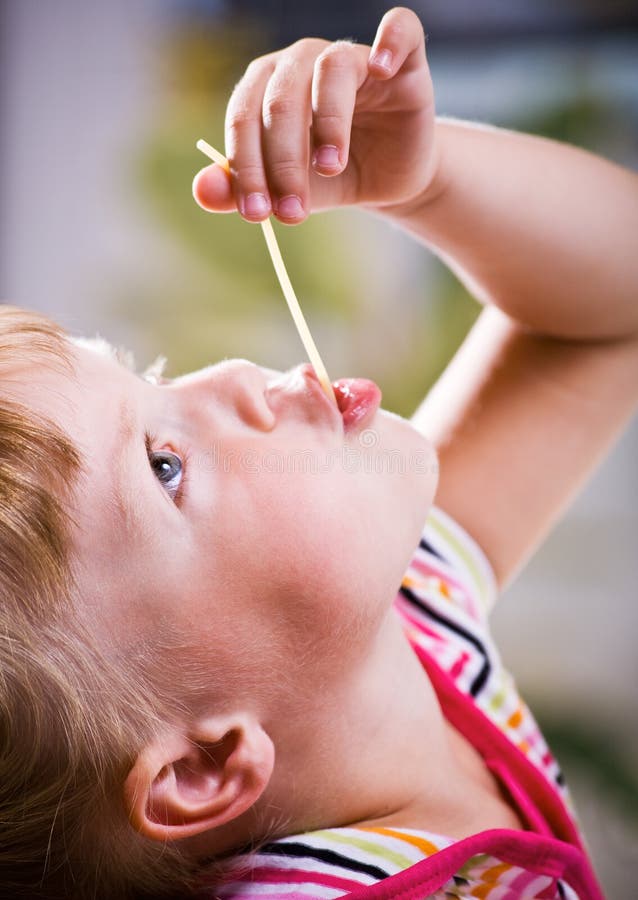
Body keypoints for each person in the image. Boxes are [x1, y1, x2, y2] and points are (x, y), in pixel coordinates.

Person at [1, 6, 637, 899]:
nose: (225, 377)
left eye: (147, 376)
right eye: (164, 466)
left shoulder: (416, 615)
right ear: (203, 769)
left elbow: (608, 314)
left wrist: (426, 181)